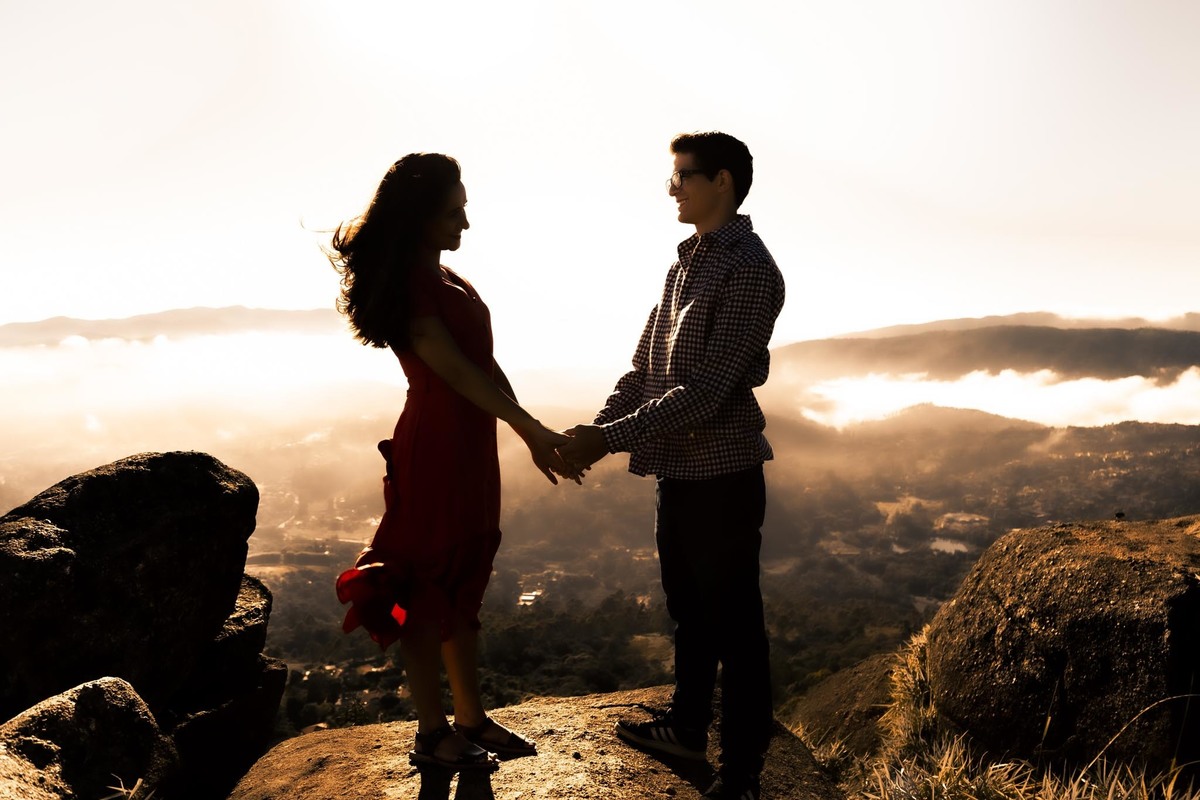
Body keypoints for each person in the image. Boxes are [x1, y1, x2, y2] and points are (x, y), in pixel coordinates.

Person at [330, 153, 575, 771]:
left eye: (464, 209)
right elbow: (453, 367)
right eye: (452, 213)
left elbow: (484, 366)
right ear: (418, 219)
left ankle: (471, 719)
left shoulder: (451, 281)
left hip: (470, 445)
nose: (464, 223)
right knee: (421, 585)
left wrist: (526, 431)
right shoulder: (414, 284)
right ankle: (432, 730)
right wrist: (528, 427)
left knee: (465, 582)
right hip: (435, 446)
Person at [559, 132, 785, 800]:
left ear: (722, 180)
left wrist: (608, 441)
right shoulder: (684, 264)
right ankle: (687, 728)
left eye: (682, 176)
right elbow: (646, 370)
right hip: (679, 475)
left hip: (723, 476)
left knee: (737, 627)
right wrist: (599, 429)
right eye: (672, 178)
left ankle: (741, 772)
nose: (673, 188)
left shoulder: (750, 269)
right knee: (690, 613)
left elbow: (706, 392)